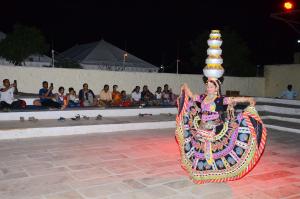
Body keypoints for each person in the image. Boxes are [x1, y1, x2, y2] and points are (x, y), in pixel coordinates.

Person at [176, 30, 266, 184]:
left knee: (210, 151)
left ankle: (213, 172)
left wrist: (249, 99)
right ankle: (199, 174)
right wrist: (185, 86)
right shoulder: (203, 97)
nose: (208, 88)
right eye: (207, 85)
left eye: (210, 86)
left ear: (216, 88)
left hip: (215, 128)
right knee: (199, 151)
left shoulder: (220, 99)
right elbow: (192, 96)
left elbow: (235, 99)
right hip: (202, 126)